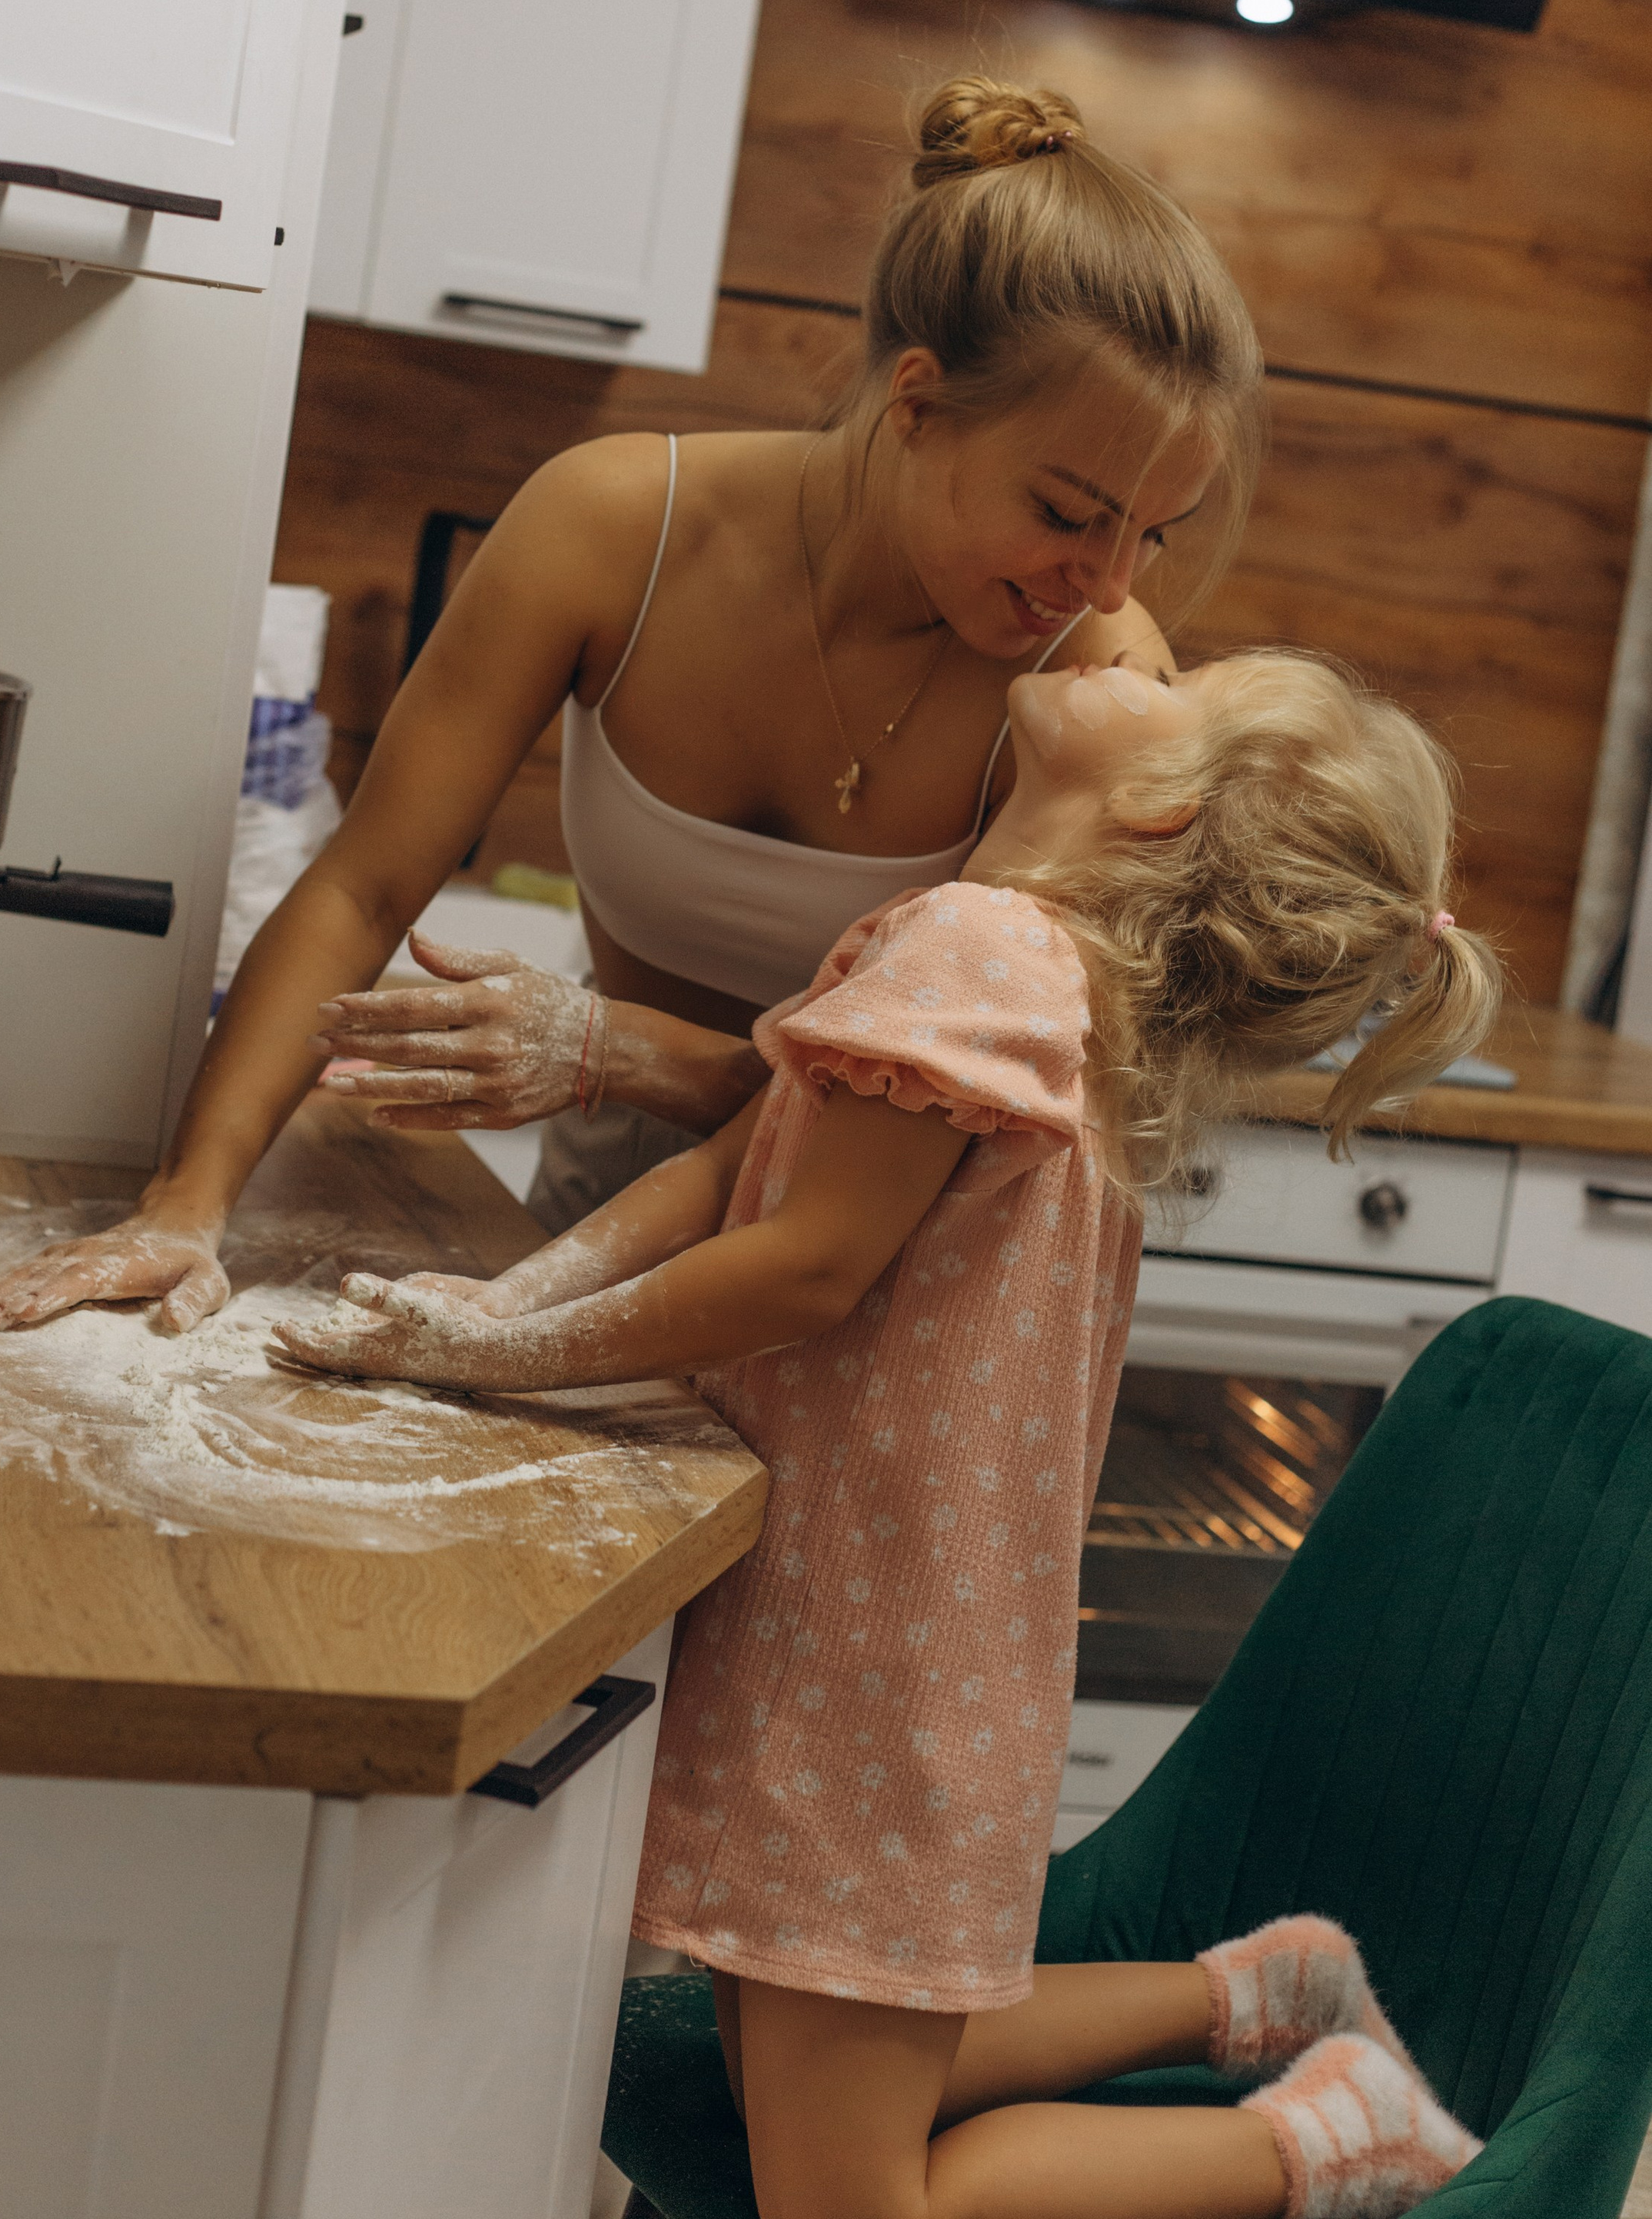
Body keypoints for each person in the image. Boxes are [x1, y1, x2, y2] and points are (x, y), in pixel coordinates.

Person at [266, 643, 1501, 2219]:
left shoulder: (986, 948)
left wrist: (506, 1359)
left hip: (866, 1671)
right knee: (809, 2042)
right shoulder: (1013, 953)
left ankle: (1329, 2138)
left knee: (844, 2196)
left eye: (1175, 679)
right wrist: (503, 1311)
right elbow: (734, 1170)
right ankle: (1257, 1993)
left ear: (1157, 802)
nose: (1126, 641)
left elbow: (806, 1264)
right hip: (901, 1641)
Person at [0, 77, 1265, 1337]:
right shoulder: (614, 528)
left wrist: (624, 1052)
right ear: (918, 404)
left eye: (1156, 533)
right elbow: (366, 886)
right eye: (1069, 514)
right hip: (610, 1197)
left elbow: (937, 1111)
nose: (1108, 583)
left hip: (891, 1270)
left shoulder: (1095, 693)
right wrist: (188, 1206)